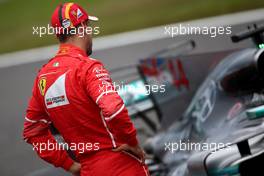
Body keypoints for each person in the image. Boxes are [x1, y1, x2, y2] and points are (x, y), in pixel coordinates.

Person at [23, 2, 149, 176]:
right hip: (121, 165)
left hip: (88, 170)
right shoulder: (88, 68)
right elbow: (113, 109)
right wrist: (131, 141)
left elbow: (32, 132)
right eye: (89, 26)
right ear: (82, 26)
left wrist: (69, 165)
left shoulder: (42, 78)